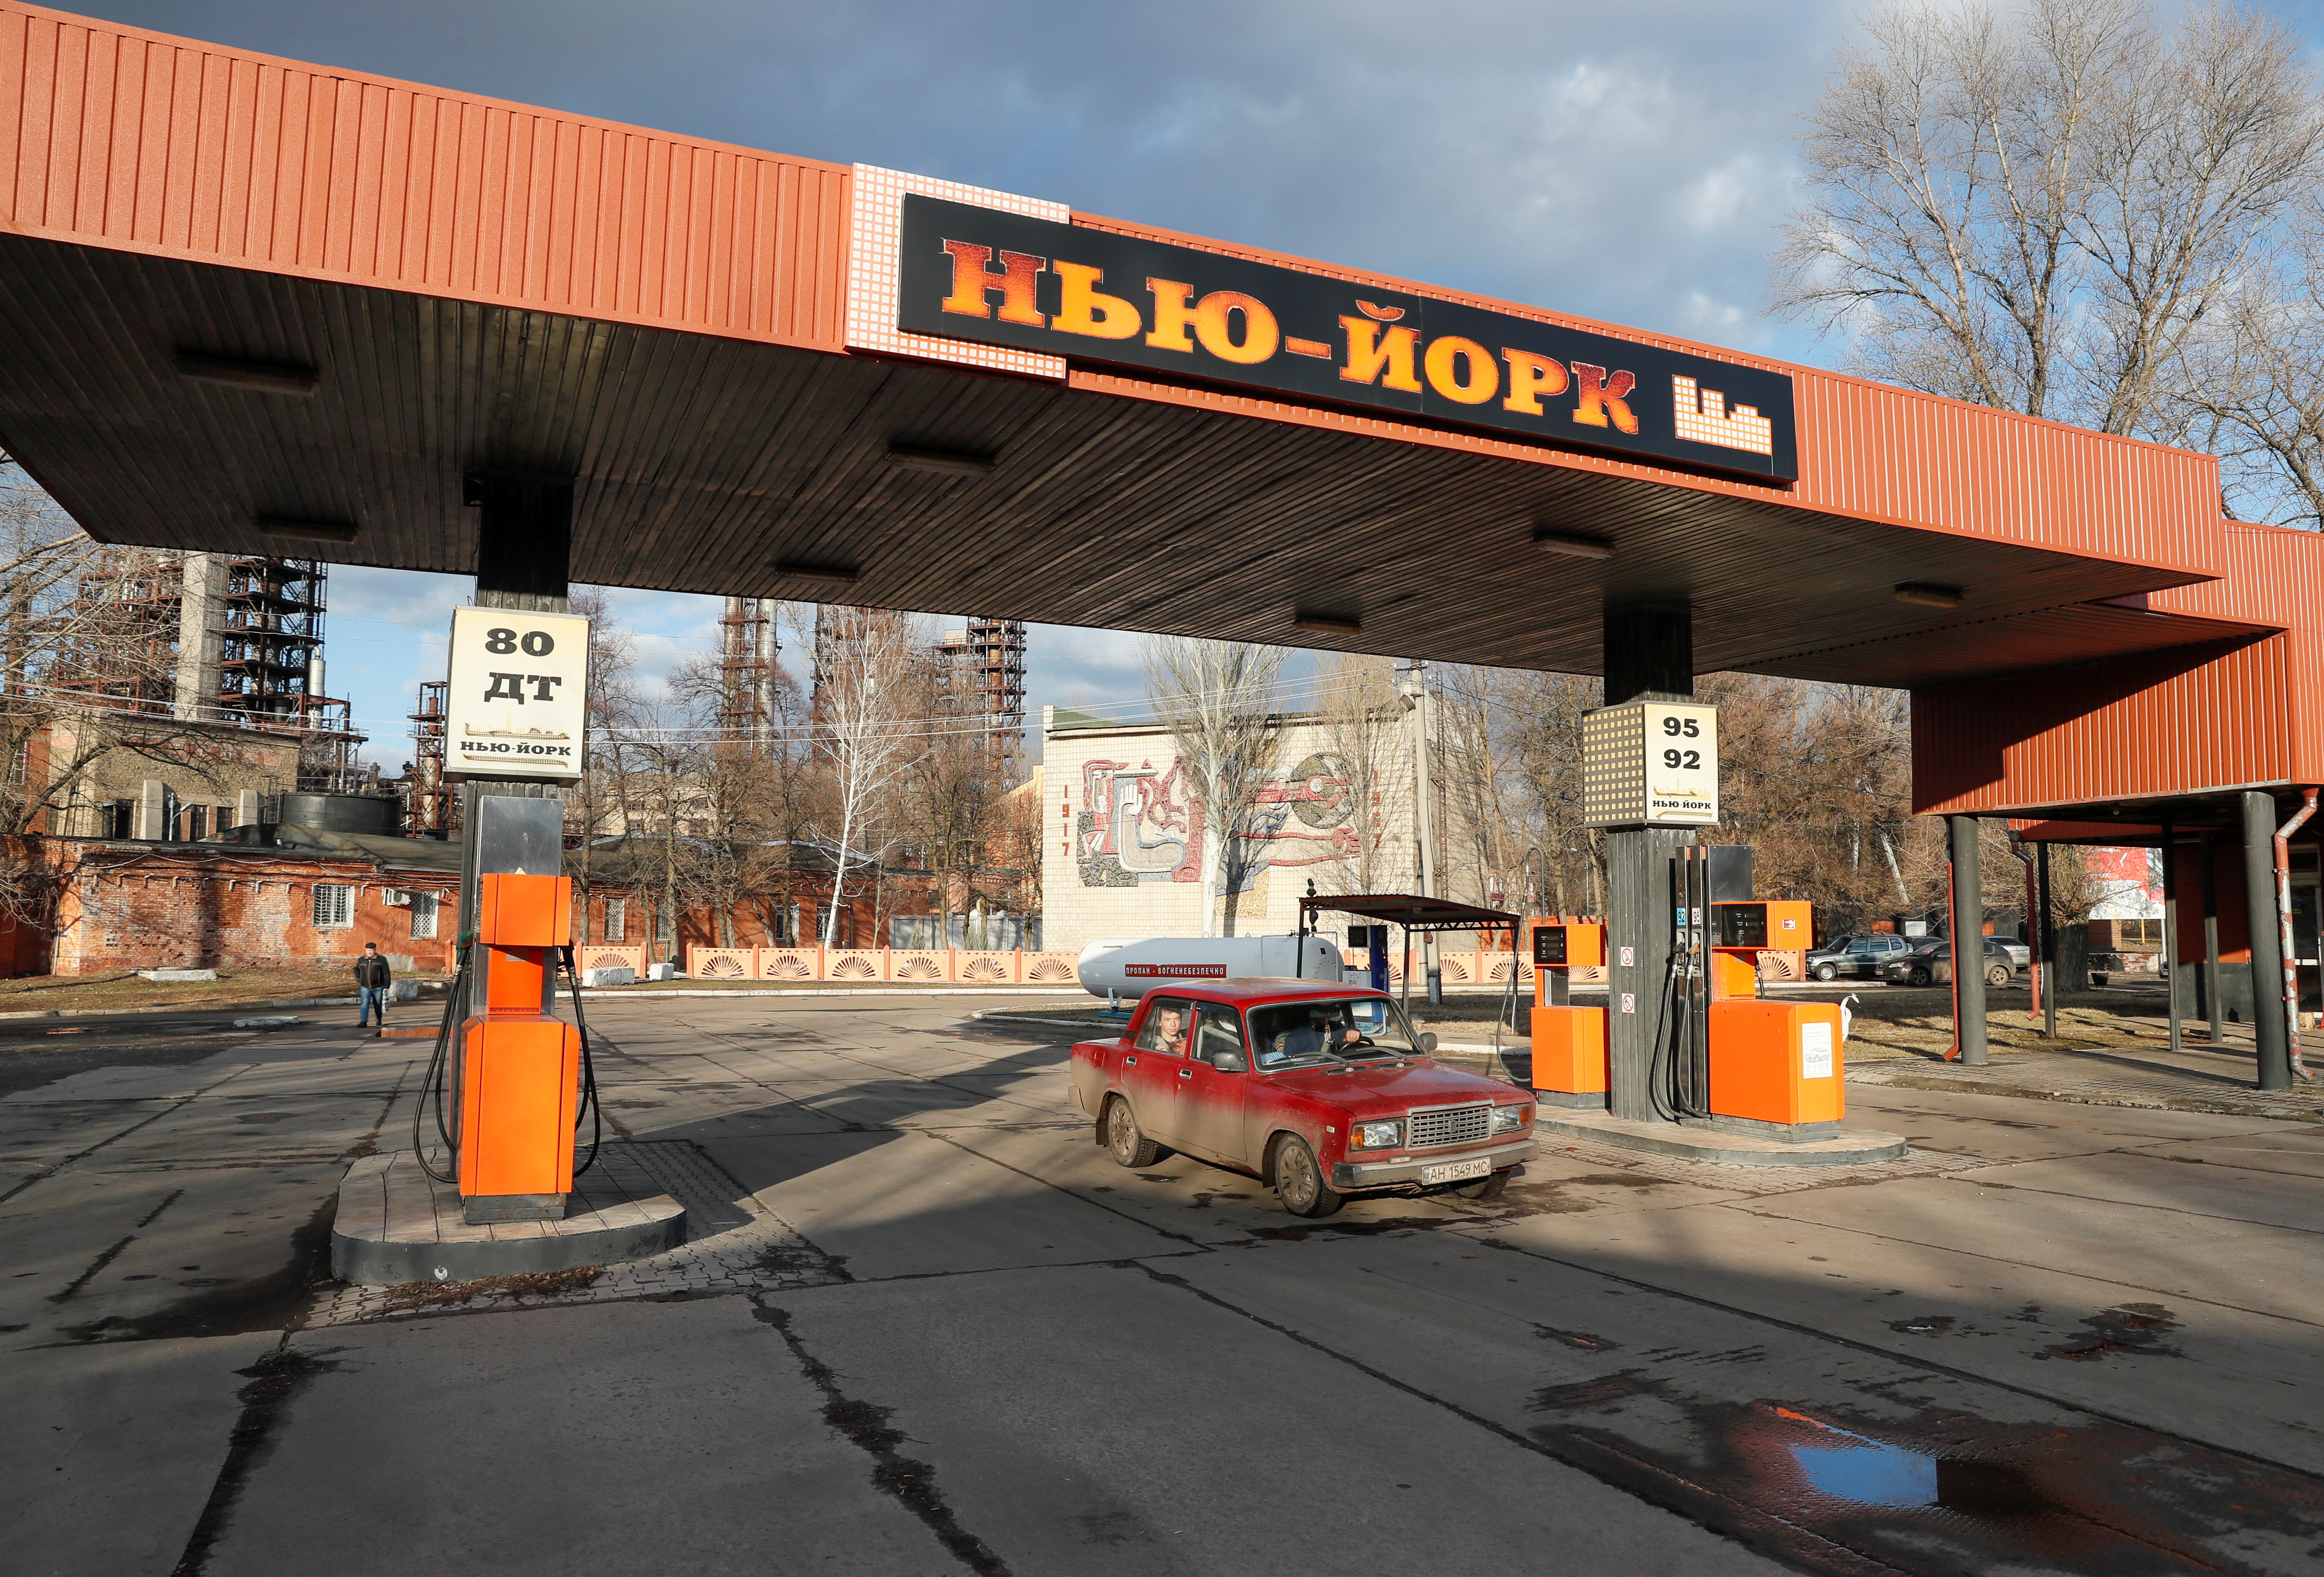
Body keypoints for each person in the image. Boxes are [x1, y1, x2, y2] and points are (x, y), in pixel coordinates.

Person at [354, 943, 393, 1031]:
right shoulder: (361, 960)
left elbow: (386, 973)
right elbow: (356, 969)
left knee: (378, 1004)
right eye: (368, 951)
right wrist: (359, 979)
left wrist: (387, 985)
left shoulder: (381, 959)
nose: (370, 953)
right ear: (366, 950)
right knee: (364, 1004)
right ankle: (363, 1022)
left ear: (375, 950)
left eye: (372, 951)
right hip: (365, 986)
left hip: (378, 987)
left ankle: (378, 1020)